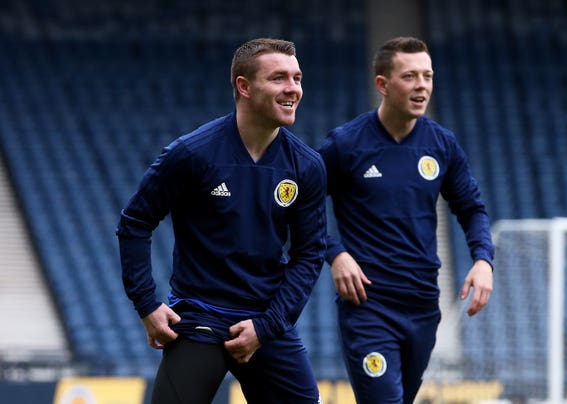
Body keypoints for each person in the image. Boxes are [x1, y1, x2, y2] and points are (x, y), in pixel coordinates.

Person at [116, 38, 327, 404]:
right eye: (279, 78)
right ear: (244, 87)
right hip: (199, 317)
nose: (293, 88)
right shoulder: (191, 154)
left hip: (266, 321)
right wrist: (147, 304)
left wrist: (266, 326)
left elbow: (309, 254)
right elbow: (135, 222)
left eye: (297, 78)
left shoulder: (307, 165)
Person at [317, 36, 495, 403]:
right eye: (410, 76)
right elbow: (301, 205)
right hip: (368, 305)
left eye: (427, 76)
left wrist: (483, 259)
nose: (422, 86)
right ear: (383, 84)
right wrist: (335, 253)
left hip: (422, 305)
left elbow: (472, 208)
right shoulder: (346, 144)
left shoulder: (442, 145)